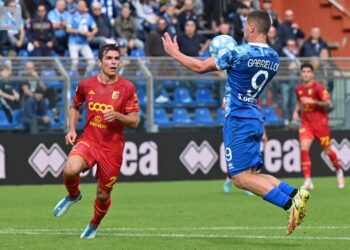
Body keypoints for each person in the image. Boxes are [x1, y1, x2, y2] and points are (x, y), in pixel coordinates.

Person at [162, 10, 310, 234]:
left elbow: (200, 67)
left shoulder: (238, 53)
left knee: (241, 179)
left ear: (251, 28)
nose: (242, 31)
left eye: (244, 27)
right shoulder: (274, 57)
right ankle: (295, 193)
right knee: (252, 175)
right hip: (254, 115)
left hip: (239, 119)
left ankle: (290, 205)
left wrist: (175, 53)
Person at [53, 43, 140, 239]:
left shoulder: (127, 87)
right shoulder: (86, 85)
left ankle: (94, 224)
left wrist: (117, 116)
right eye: (109, 59)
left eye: (116, 59)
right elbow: (74, 106)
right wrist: (72, 129)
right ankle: (74, 195)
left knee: (102, 195)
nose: (113, 62)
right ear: (100, 62)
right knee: (70, 169)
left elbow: (134, 121)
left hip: (112, 149)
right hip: (89, 141)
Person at [293, 63, 345, 190]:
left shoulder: (319, 88)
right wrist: (296, 111)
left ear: (312, 74)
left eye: (308, 71)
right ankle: (308, 180)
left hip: (320, 124)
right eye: (303, 71)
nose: (305, 74)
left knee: (327, 151)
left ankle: (338, 171)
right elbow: (300, 101)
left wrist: (314, 101)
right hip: (306, 123)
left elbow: (329, 104)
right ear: (301, 73)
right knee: (304, 149)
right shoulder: (298, 88)